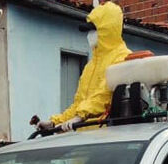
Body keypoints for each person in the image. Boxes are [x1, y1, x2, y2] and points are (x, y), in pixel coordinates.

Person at [35, 1, 131, 133]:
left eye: (93, 30)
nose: (89, 35)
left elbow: (103, 96)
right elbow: (79, 104)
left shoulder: (122, 58)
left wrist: (79, 118)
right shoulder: (91, 66)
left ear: (107, 30)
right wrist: (55, 123)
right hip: (86, 137)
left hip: (107, 138)